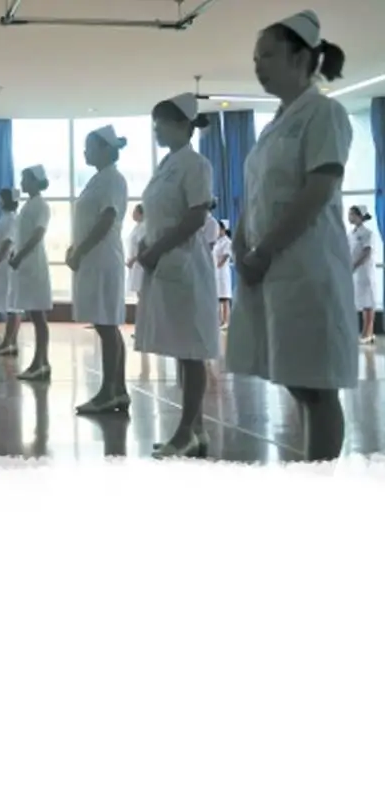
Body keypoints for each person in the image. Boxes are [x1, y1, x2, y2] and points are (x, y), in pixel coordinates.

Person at [226, 9, 354, 461]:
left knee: (317, 386)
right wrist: (241, 243)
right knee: (297, 380)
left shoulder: (325, 114)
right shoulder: (275, 125)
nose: (258, 65)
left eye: (267, 55)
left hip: (307, 267)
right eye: (255, 57)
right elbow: (257, 194)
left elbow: (318, 190)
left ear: (300, 57)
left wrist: (264, 250)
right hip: (272, 270)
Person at [135, 92, 219, 458]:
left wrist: (156, 249)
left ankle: (185, 432)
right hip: (165, 263)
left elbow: (196, 216)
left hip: (183, 263)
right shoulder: (168, 165)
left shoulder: (196, 164)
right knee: (181, 350)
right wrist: (148, 245)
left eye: (163, 124)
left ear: (184, 125)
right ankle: (196, 430)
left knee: (191, 351)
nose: (157, 130)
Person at [67, 125, 130, 413]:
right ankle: (118, 391)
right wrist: (75, 248)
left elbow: (106, 220)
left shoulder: (113, 179)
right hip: (95, 259)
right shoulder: (99, 179)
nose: (85, 152)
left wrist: (80, 250)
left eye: (90, 147)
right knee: (107, 326)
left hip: (103, 258)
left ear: (105, 149)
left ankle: (108, 392)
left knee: (106, 325)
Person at [9, 165, 53, 380]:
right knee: (34, 314)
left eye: (25, 179)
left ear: (36, 181)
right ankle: (41, 362)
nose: (22, 183)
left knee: (38, 315)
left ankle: (40, 362)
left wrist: (20, 255)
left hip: (33, 264)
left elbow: (38, 234)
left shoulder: (41, 206)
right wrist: (16, 253)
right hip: (25, 264)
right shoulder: (28, 205)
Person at [0, 188, 20, 356]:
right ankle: (10, 342)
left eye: (0, 199)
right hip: (1, 267)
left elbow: (6, 245)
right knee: (9, 304)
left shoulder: (11, 219)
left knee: (12, 305)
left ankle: (8, 342)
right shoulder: (5, 218)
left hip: (6, 266)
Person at [348, 205, 376, 345]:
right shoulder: (351, 234)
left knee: (368, 303)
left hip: (364, 272)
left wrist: (355, 265)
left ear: (360, 216)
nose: (350, 217)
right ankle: (366, 333)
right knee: (360, 302)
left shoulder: (367, 233)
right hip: (354, 273)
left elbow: (366, 253)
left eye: (352, 214)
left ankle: (367, 333)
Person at [126, 204, 145, 313]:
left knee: (142, 293)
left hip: (139, 264)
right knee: (140, 294)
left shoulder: (143, 227)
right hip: (136, 263)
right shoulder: (138, 227)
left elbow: (143, 246)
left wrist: (133, 259)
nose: (133, 214)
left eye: (135, 212)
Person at [214, 219, 233, 328]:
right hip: (216, 272)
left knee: (225, 297)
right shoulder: (217, 242)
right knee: (218, 297)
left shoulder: (227, 242)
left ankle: (226, 320)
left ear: (223, 230)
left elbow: (226, 255)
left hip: (222, 272)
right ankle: (220, 320)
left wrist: (219, 263)